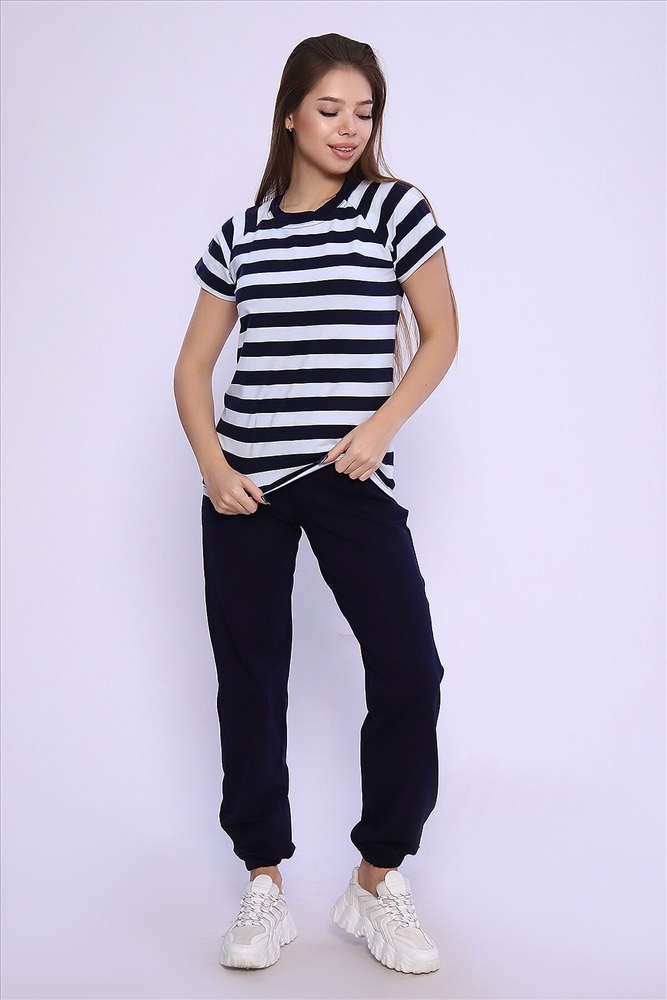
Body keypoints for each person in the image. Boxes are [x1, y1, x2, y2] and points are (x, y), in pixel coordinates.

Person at [173, 31, 459, 976]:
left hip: (348, 475)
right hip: (246, 489)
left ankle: (375, 880)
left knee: (409, 670)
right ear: (290, 114)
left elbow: (440, 334)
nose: (347, 128)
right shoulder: (241, 234)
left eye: (363, 113)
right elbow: (194, 365)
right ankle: (263, 881)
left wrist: (380, 427)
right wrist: (213, 465)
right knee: (251, 677)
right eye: (329, 109)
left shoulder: (392, 211)